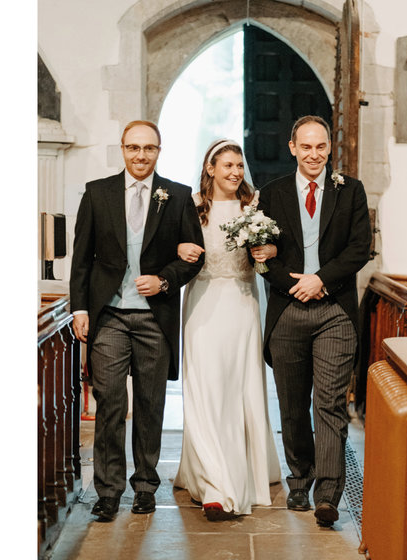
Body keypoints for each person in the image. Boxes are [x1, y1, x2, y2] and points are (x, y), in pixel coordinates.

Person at [70, 120, 205, 522]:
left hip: (154, 319)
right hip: (108, 315)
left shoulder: (178, 196)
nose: (140, 155)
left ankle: (145, 484)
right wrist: (80, 309)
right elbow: (81, 257)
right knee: (111, 401)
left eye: (148, 148)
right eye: (133, 148)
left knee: (150, 404)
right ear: (123, 150)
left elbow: (194, 257)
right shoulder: (97, 193)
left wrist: (164, 280)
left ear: (159, 151)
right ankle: (108, 490)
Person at [256, 115, 372, 527]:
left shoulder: (350, 191)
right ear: (292, 148)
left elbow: (360, 248)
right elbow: (261, 256)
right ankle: (300, 481)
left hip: (335, 311)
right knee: (292, 404)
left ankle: (328, 495)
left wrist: (321, 279)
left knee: (329, 403)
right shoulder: (271, 195)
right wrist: (296, 285)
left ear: (329, 149)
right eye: (306, 146)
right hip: (288, 309)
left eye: (320, 146)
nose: (314, 154)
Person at [171, 139, 281, 521]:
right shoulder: (191, 207)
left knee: (238, 387)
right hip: (202, 302)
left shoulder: (255, 208)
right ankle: (215, 480)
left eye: (239, 166)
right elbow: (172, 248)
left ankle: (234, 474)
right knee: (205, 387)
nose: (235, 172)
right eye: (228, 165)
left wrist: (270, 254)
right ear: (211, 168)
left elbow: (271, 259)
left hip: (242, 304)